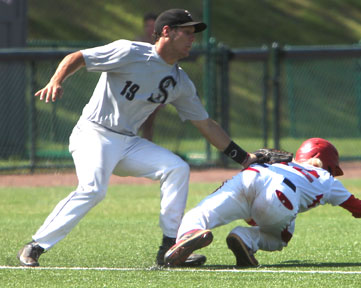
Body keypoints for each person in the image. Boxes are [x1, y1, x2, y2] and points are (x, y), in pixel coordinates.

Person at [17, 8, 257, 267]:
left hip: (128, 143)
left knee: (176, 168)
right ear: (167, 32)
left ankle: (169, 249)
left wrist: (244, 157)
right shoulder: (129, 52)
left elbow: (207, 125)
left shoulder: (179, 81)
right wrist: (56, 80)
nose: (192, 39)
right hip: (94, 133)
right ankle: (36, 245)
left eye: (193, 34)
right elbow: (79, 57)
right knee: (94, 189)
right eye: (187, 33)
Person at [163, 138, 361, 267]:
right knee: (280, 238)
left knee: (200, 213)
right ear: (323, 160)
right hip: (280, 198)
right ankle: (245, 238)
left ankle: (189, 235)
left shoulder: (283, 162)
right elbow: (357, 207)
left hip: (252, 176)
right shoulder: (325, 178)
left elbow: (255, 162)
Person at [136, 12, 161, 141]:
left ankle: (146, 151)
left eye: (153, 26)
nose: (150, 29)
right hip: (136, 91)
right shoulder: (137, 45)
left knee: (149, 124)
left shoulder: (163, 48)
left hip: (155, 92)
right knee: (135, 124)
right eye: (147, 26)